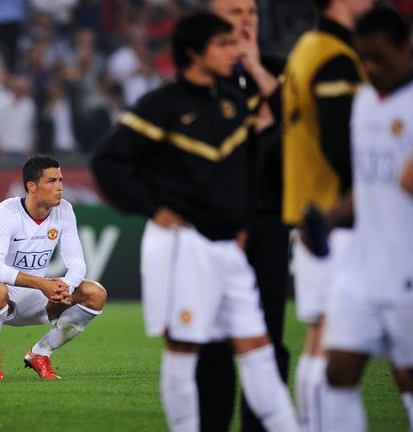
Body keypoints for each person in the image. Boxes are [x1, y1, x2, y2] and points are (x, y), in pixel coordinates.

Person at [91, 12, 298, 431]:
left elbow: (255, 163)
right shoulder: (161, 104)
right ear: (194, 53)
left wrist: (241, 222)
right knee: (185, 349)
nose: (231, 51)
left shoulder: (234, 103)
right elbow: (108, 164)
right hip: (183, 245)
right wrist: (154, 209)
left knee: (259, 348)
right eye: (222, 44)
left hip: (230, 248)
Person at [198, 1, 290, 430]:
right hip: (214, 229)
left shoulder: (280, 72)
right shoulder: (199, 81)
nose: (247, 18)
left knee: (268, 340)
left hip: (268, 222)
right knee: (213, 344)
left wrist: (257, 71)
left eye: (251, 10)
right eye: (235, 11)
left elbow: (311, 130)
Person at [280, 1, 372, 429]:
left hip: (309, 211)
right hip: (338, 215)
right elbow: (341, 142)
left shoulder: (306, 48)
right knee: (336, 337)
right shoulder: (336, 56)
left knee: (321, 334)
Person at [320, 7, 413, 430]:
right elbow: (371, 185)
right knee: (338, 370)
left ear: (405, 49)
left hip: (406, 268)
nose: (371, 68)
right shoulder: (363, 103)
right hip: (362, 265)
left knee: (407, 377)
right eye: (364, 59)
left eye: (380, 58)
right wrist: (329, 217)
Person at [0, 154, 106, 381]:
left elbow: (77, 264)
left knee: (95, 293)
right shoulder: (6, 212)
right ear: (31, 186)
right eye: (51, 181)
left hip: (36, 297)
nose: (60, 187)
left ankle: (40, 353)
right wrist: (41, 283)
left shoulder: (64, 210)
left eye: (60, 180)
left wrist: (67, 286)